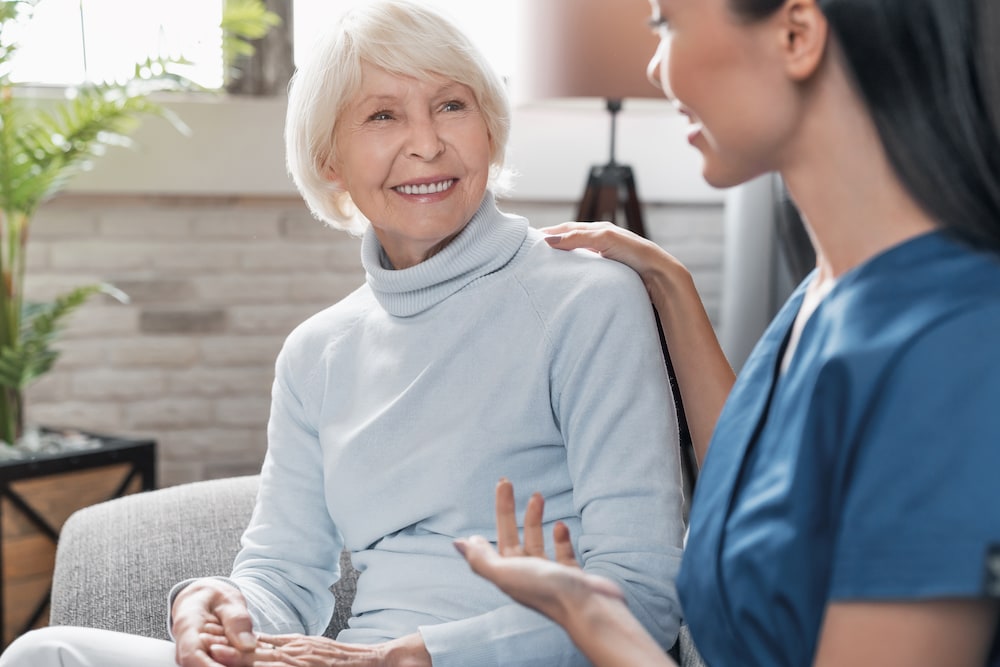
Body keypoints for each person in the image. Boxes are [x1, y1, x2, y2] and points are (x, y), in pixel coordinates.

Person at [0, 1, 686, 666]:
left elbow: (647, 599)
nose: (426, 143)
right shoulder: (317, 352)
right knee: (45, 652)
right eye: (383, 115)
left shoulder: (590, 298)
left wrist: (418, 655)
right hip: (347, 660)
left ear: (489, 127)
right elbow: (283, 575)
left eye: (452, 104)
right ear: (330, 158)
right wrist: (220, 602)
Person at [456, 0, 1000, 665]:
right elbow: (768, 506)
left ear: (797, 34)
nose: (656, 68)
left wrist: (592, 619)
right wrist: (670, 285)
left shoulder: (951, 350)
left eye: (665, 24)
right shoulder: (824, 296)